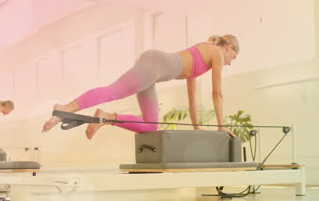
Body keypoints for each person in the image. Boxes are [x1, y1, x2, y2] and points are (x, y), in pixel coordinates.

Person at [42, 35, 239, 139]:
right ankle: (65, 108)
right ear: (229, 47)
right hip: (155, 64)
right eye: (233, 57)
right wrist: (221, 126)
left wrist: (197, 128)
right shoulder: (215, 53)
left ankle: (106, 117)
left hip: (154, 73)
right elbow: (217, 93)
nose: (230, 62)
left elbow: (192, 99)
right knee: (115, 91)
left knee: (151, 126)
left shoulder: (204, 55)